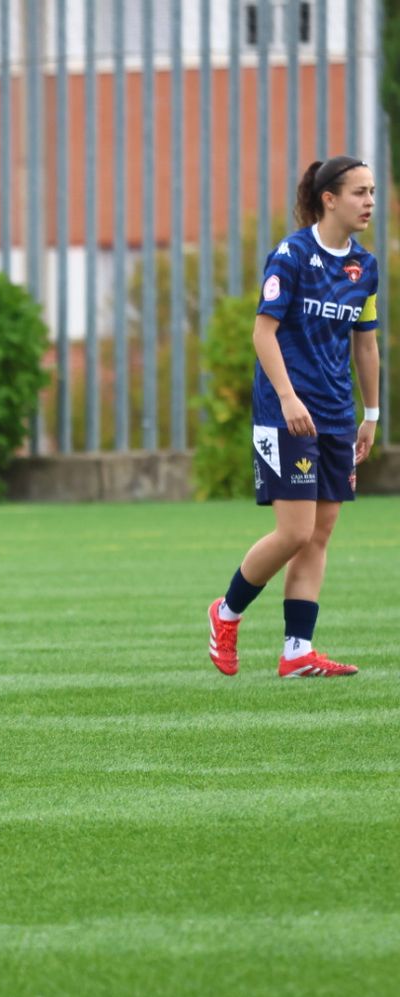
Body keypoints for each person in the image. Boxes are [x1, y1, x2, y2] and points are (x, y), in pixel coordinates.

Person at [207, 155, 380, 678]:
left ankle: (297, 651)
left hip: (335, 414)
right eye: (359, 192)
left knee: (321, 531)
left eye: (373, 192)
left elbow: (365, 348)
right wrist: (286, 397)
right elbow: (263, 333)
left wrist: (370, 414)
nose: (369, 201)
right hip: (286, 413)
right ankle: (226, 612)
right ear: (329, 199)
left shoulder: (364, 266)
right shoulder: (291, 254)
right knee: (295, 531)